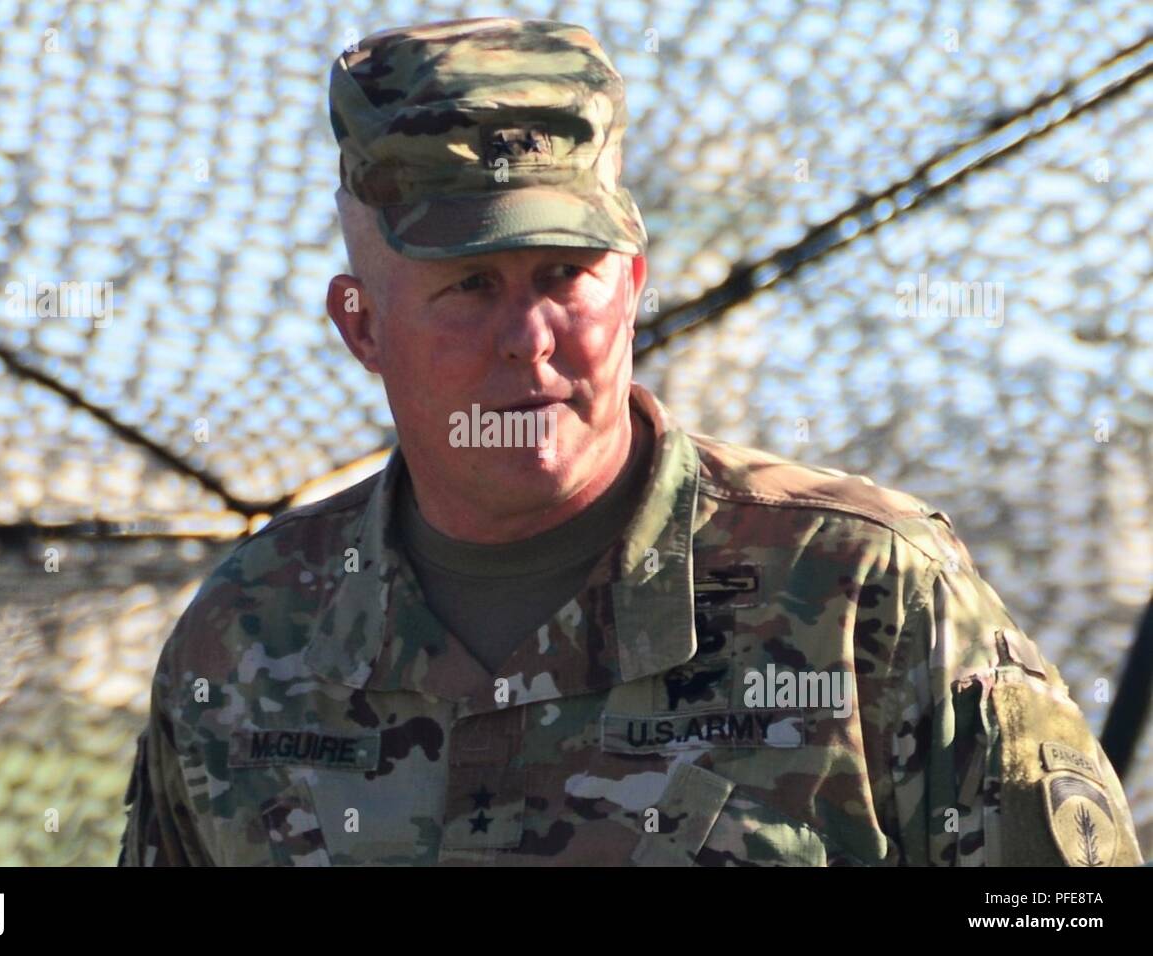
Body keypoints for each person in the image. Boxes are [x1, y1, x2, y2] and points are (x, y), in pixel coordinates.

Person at [118, 17, 1144, 866]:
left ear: (633, 290)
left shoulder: (859, 593)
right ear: (362, 325)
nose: (529, 340)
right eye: (468, 286)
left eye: (565, 275)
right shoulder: (249, 641)